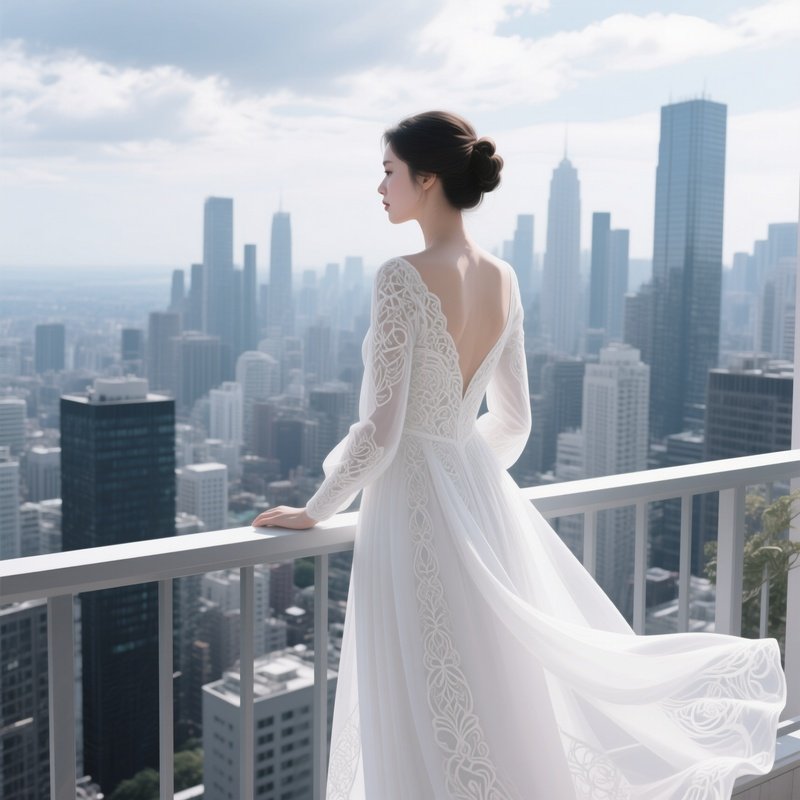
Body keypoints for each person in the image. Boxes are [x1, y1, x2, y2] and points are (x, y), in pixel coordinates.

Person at [253, 111, 786, 799]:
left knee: (418, 690)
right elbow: (514, 422)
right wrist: (465, 488)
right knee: (487, 686)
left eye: (388, 172)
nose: (378, 187)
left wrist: (314, 508)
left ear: (428, 178)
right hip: (470, 501)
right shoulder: (503, 278)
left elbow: (378, 434)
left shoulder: (400, 278)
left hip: (410, 512)